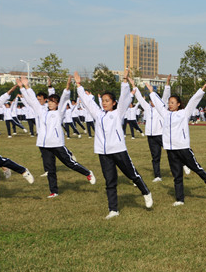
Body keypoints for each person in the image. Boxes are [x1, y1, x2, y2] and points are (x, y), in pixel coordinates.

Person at [75, 70, 152, 219]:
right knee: (110, 181)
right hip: (103, 153)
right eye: (103, 100)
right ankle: (113, 209)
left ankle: (145, 192)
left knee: (132, 175)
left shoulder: (118, 113)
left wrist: (124, 81)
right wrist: (79, 85)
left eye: (107, 100)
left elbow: (124, 98)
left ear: (114, 103)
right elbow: (87, 102)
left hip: (118, 150)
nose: (104, 103)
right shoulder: (98, 114)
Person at [19, 77, 96, 198]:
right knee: (50, 169)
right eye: (49, 101)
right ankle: (54, 191)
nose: (50, 103)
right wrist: (25, 87)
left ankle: (87, 173)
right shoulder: (42, 112)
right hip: (44, 145)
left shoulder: (59, 113)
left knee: (69, 163)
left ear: (57, 104)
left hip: (56, 143)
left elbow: (64, 99)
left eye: (53, 101)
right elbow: (33, 100)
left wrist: (67, 88)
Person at [145, 81, 206, 206]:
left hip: (183, 148)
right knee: (177, 175)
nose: (170, 104)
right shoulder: (165, 114)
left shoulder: (184, 113)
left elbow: (193, 101)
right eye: (169, 102)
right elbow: (158, 104)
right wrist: (151, 92)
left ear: (178, 104)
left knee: (195, 167)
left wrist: (202, 89)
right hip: (170, 149)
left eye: (172, 103)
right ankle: (179, 199)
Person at [133, 75, 171, 182]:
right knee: (155, 157)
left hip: (161, 134)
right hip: (151, 136)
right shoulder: (147, 107)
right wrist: (133, 85)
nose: (152, 102)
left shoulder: (162, 106)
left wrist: (167, 83)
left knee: (172, 151)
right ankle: (157, 176)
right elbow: (140, 99)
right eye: (150, 101)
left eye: (153, 100)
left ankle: (183, 164)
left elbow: (166, 95)